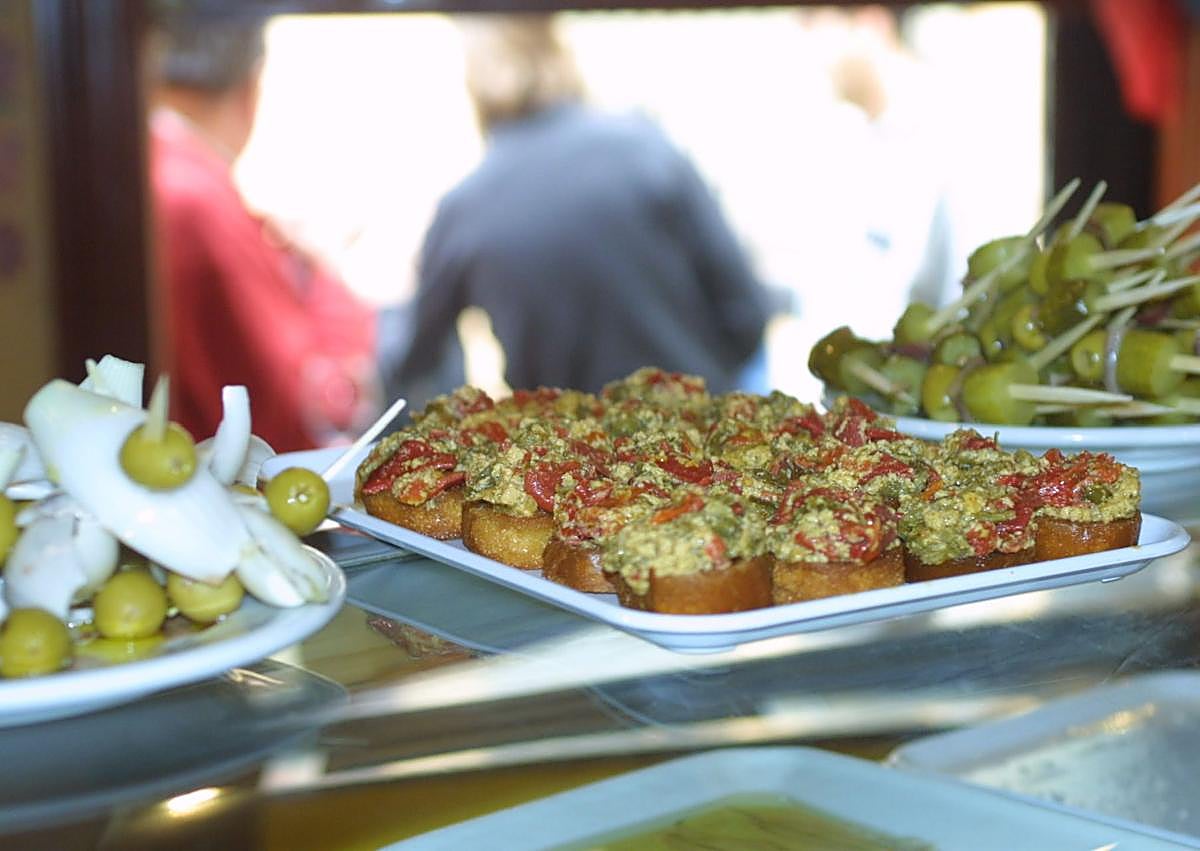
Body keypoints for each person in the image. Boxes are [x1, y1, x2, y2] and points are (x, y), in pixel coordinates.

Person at [385, 13, 776, 408]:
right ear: (557, 54)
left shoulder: (464, 209)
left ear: (473, 79)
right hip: (698, 440)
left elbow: (412, 362)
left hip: (564, 457)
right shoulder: (648, 149)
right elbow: (746, 309)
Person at [147, 11, 379, 452]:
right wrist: (326, 276)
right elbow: (300, 410)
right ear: (252, 88)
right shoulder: (195, 201)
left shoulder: (155, 167)